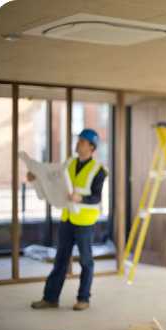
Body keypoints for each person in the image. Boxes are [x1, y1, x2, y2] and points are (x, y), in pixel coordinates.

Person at [30, 129, 107, 311]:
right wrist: (37, 179)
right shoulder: (69, 163)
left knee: (86, 262)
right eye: (78, 140)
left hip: (85, 223)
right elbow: (54, 183)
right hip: (67, 219)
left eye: (81, 141)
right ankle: (50, 298)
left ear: (91, 146)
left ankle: (83, 299)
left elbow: (97, 197)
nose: (77, 143)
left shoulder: (98, 171)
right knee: (61, 260)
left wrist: (81, 198)